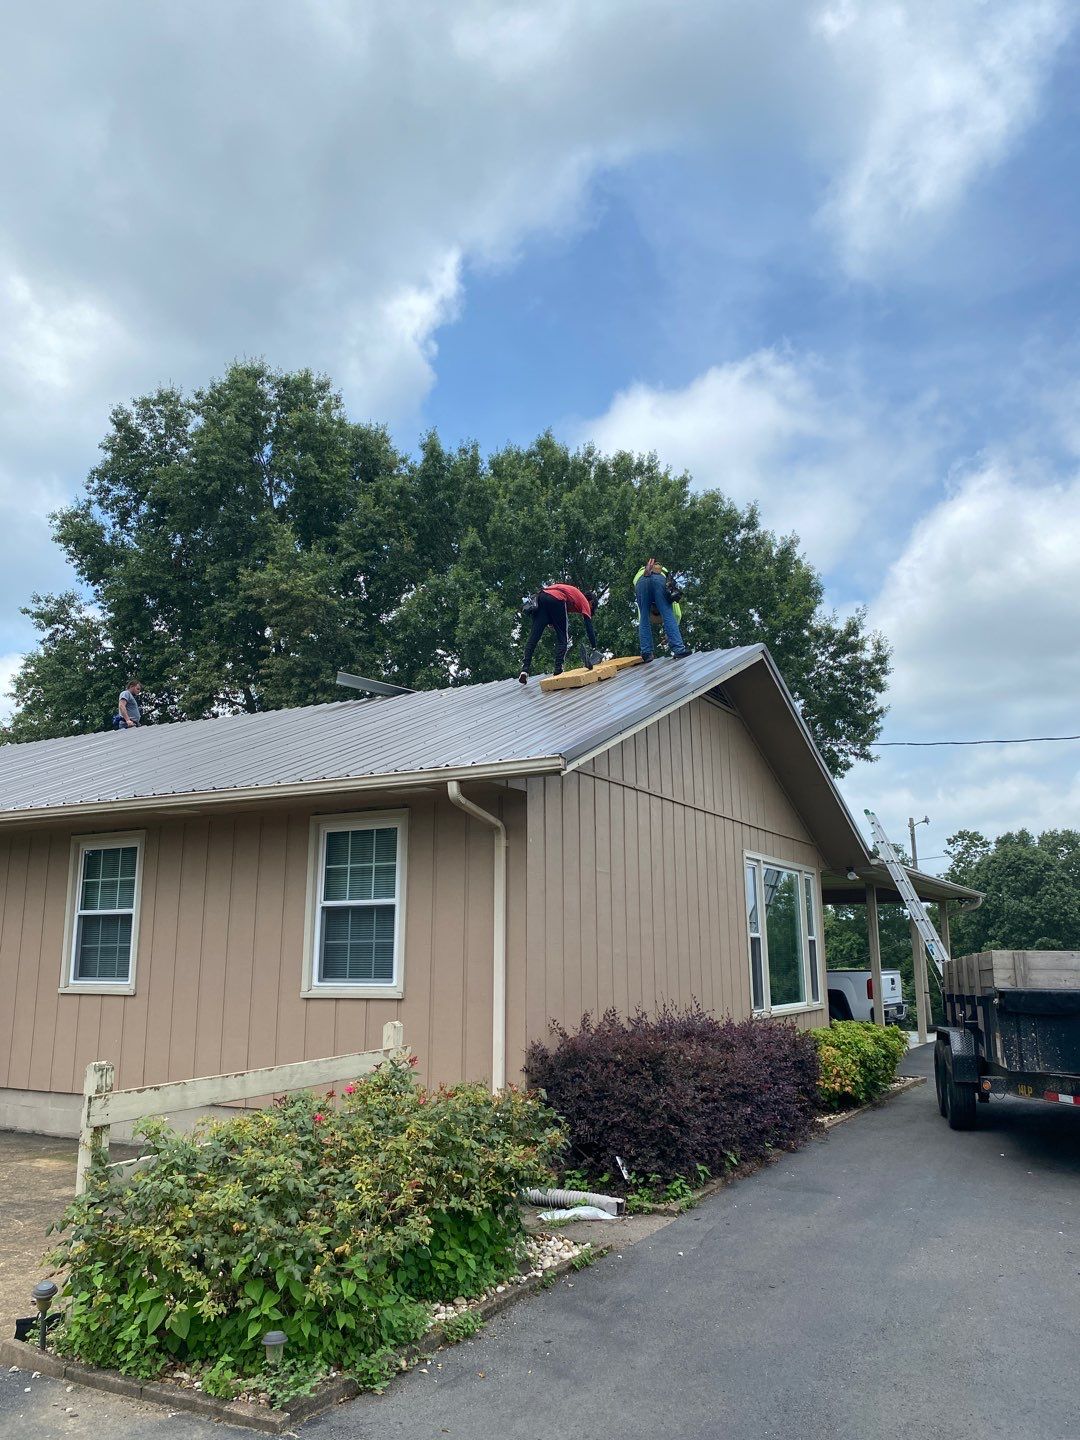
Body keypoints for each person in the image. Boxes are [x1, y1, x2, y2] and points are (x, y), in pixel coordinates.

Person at [518, 584, 599, 683]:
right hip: (556, 598)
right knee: (563, 638)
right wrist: (594, 647)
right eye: (592, 608)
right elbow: (588, 626)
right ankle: (558, 669)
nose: (590, 611)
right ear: (591, 602)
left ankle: (524, 670)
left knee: (533, 638)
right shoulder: (584, 601)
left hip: (542, 598)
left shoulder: (573, 595)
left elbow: (552, 604)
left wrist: (552, 621)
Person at [634, 559, 690, 662]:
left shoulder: (646, 607)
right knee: (667, 613)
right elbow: (676, 615)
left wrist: (646, 573)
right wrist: (669, 635)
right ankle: (679, 649)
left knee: (644, 617)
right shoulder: (667, 603)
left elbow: (642, 618)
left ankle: (646, 653)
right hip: (659, 577)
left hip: (640, 581)